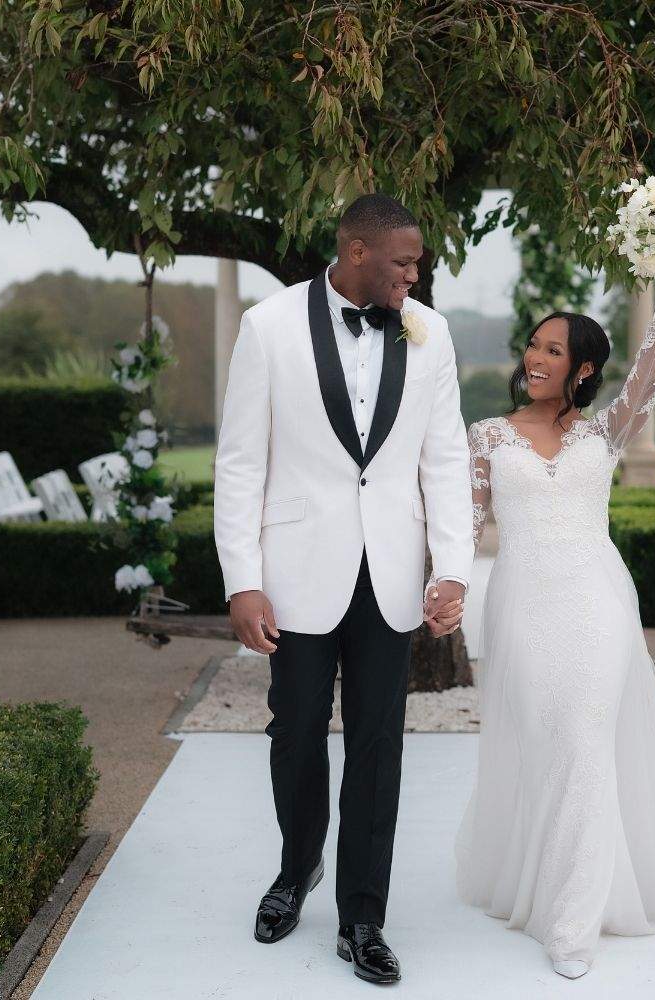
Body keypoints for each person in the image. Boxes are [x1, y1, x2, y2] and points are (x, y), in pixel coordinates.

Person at [435, 231, 655, 978]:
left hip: (599, 605)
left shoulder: (605, 430)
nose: (535, 358)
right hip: (523, 609)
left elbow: (652, 367)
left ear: (583, 369)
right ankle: (550, 882)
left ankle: (573, 919)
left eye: (554, 351)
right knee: (550, 744)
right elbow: (462, 528)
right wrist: (447, 588)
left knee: (586, 744)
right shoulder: (486, 436)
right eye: (533, 345)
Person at [213, 193, 471, 985]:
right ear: (357, 253)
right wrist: (242, 581)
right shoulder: (268, 328)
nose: (414, 272)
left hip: (389, 577)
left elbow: (446, 457)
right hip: (293, 574)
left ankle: (363, 916)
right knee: (293, 734)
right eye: (403, 261)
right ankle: (297, 872)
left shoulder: (431, 334)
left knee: (378, 749)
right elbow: (240, 464)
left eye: (416, 261)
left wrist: (451, 564)